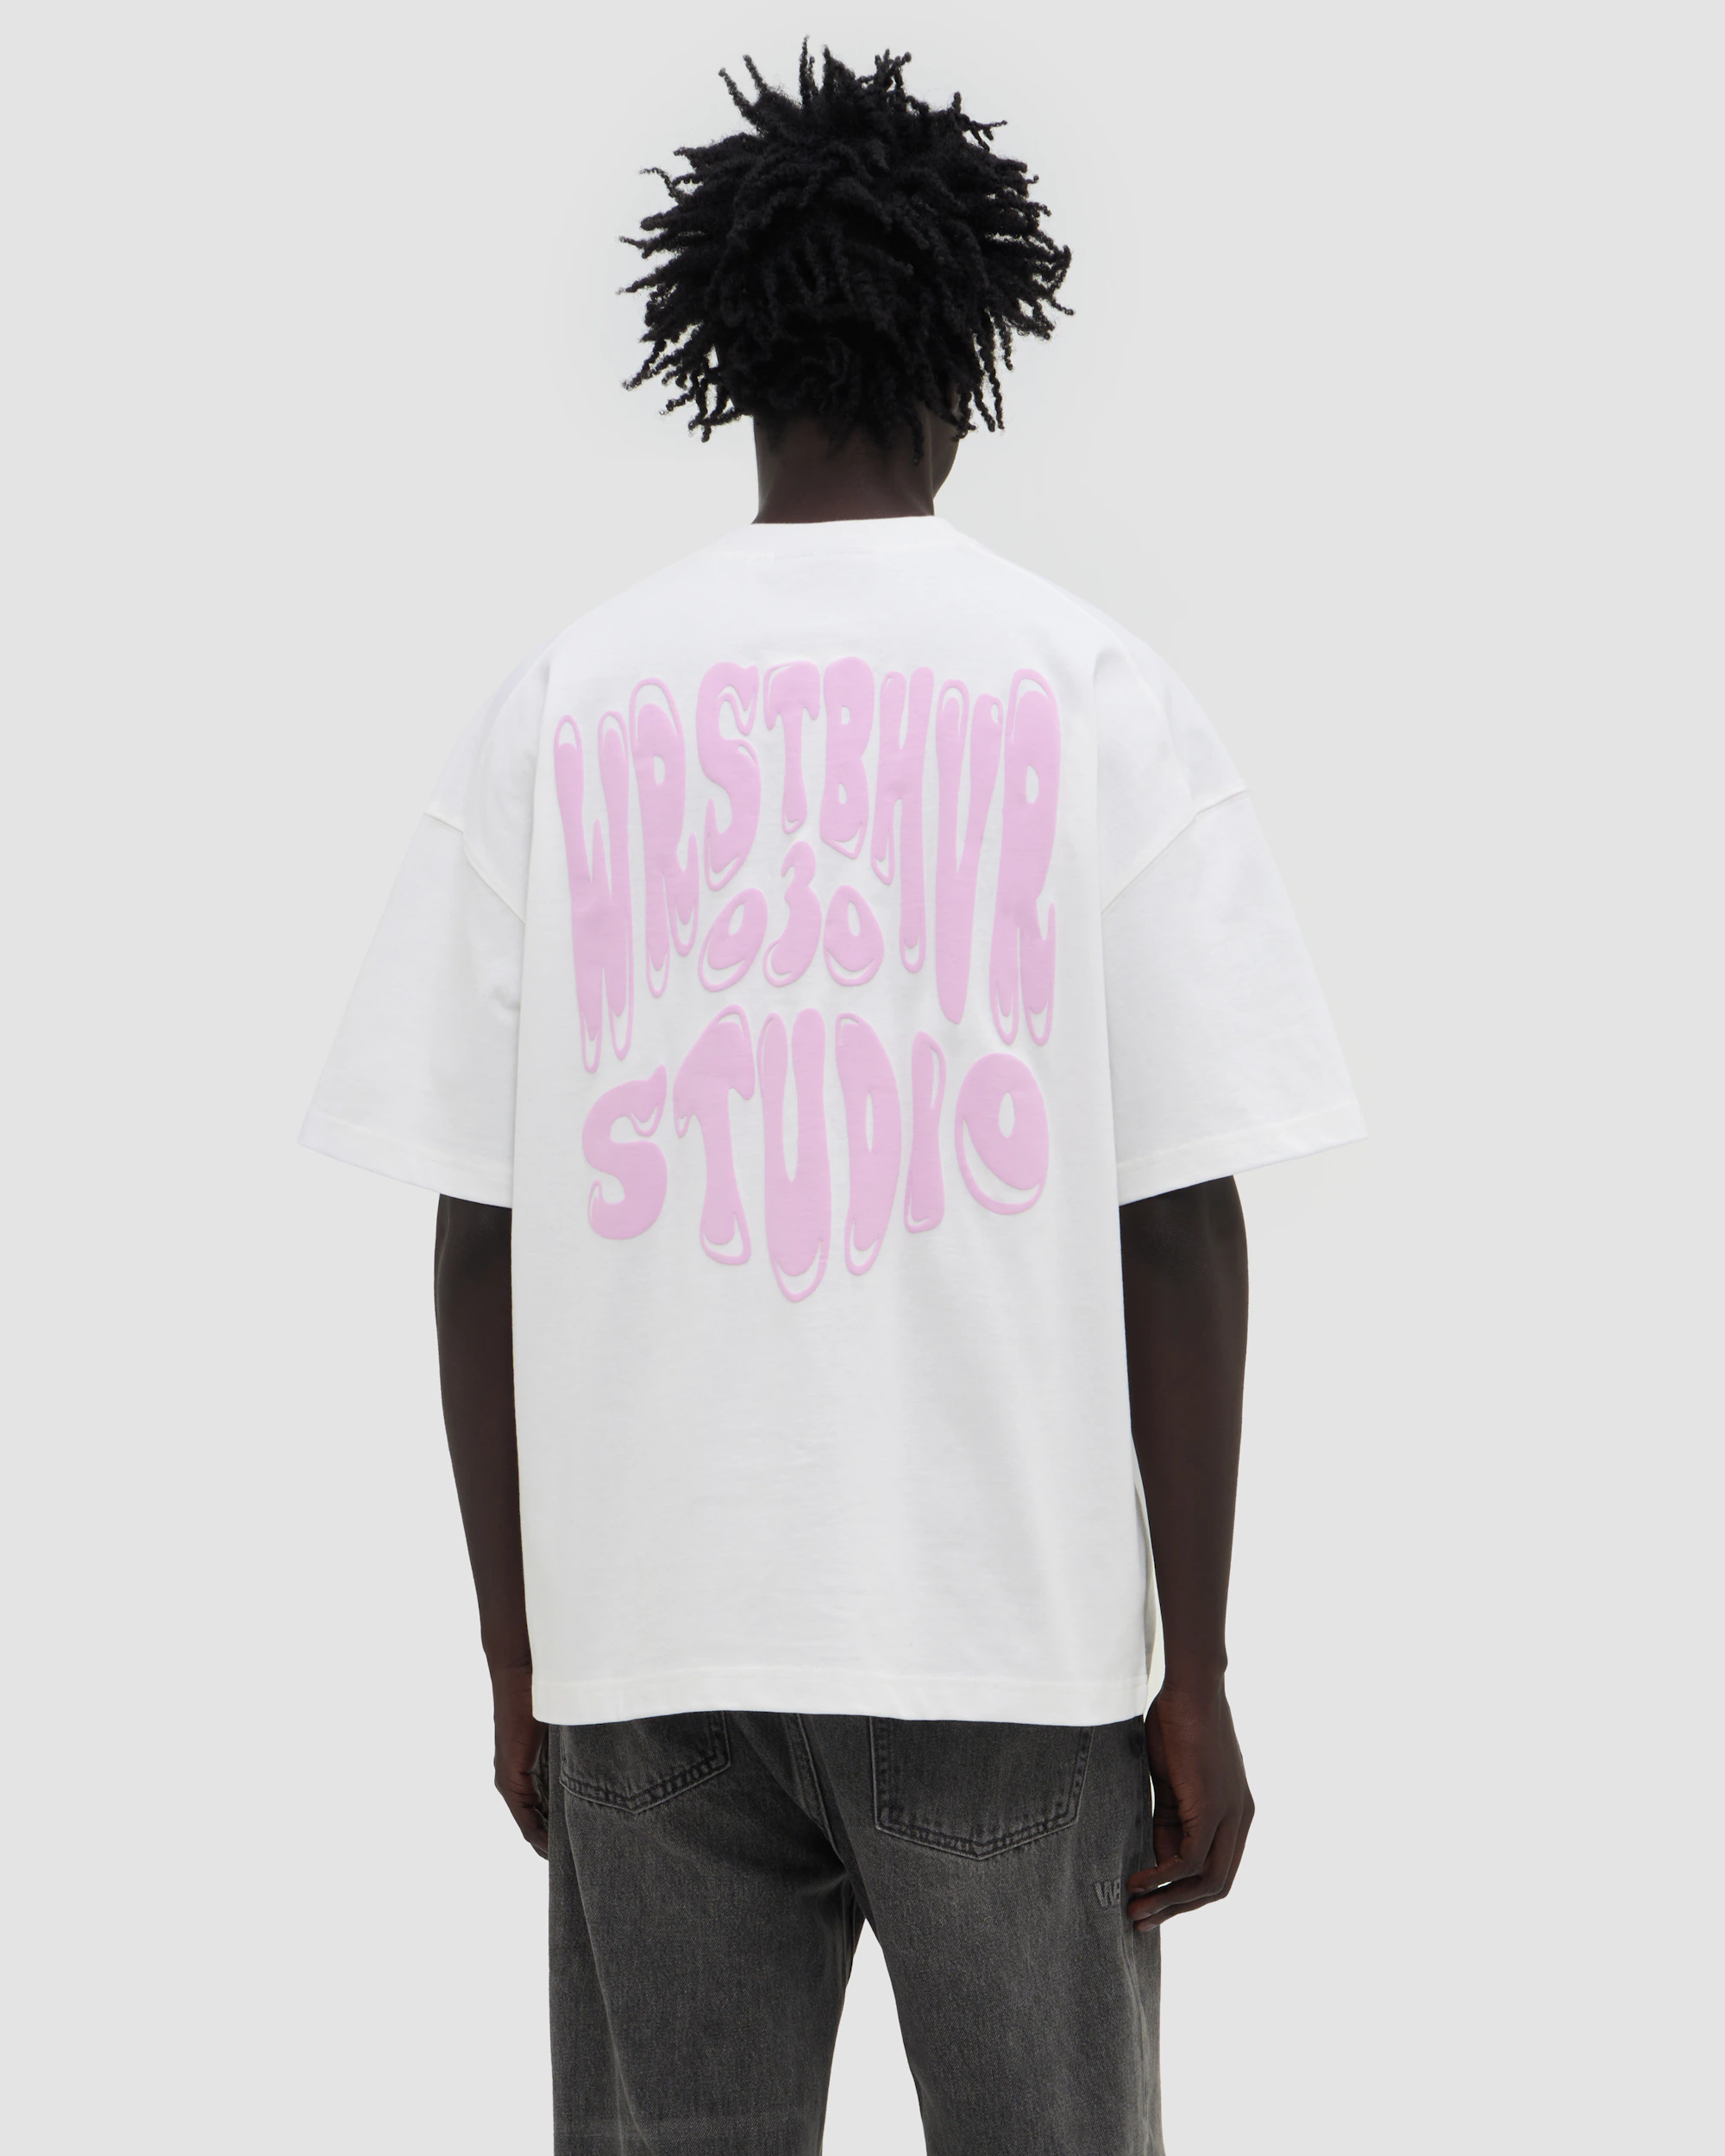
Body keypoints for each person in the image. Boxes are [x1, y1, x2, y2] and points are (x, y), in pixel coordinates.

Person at [302, 46, 1363, 2155]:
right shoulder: (1094, 695)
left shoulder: (565, 700)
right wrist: (1197, 1665)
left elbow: (477, 1219)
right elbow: (1177, 1216)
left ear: (726, 362)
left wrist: (519, 1645)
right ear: (969, 360)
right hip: (1005, 1644)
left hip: (653, 1641)